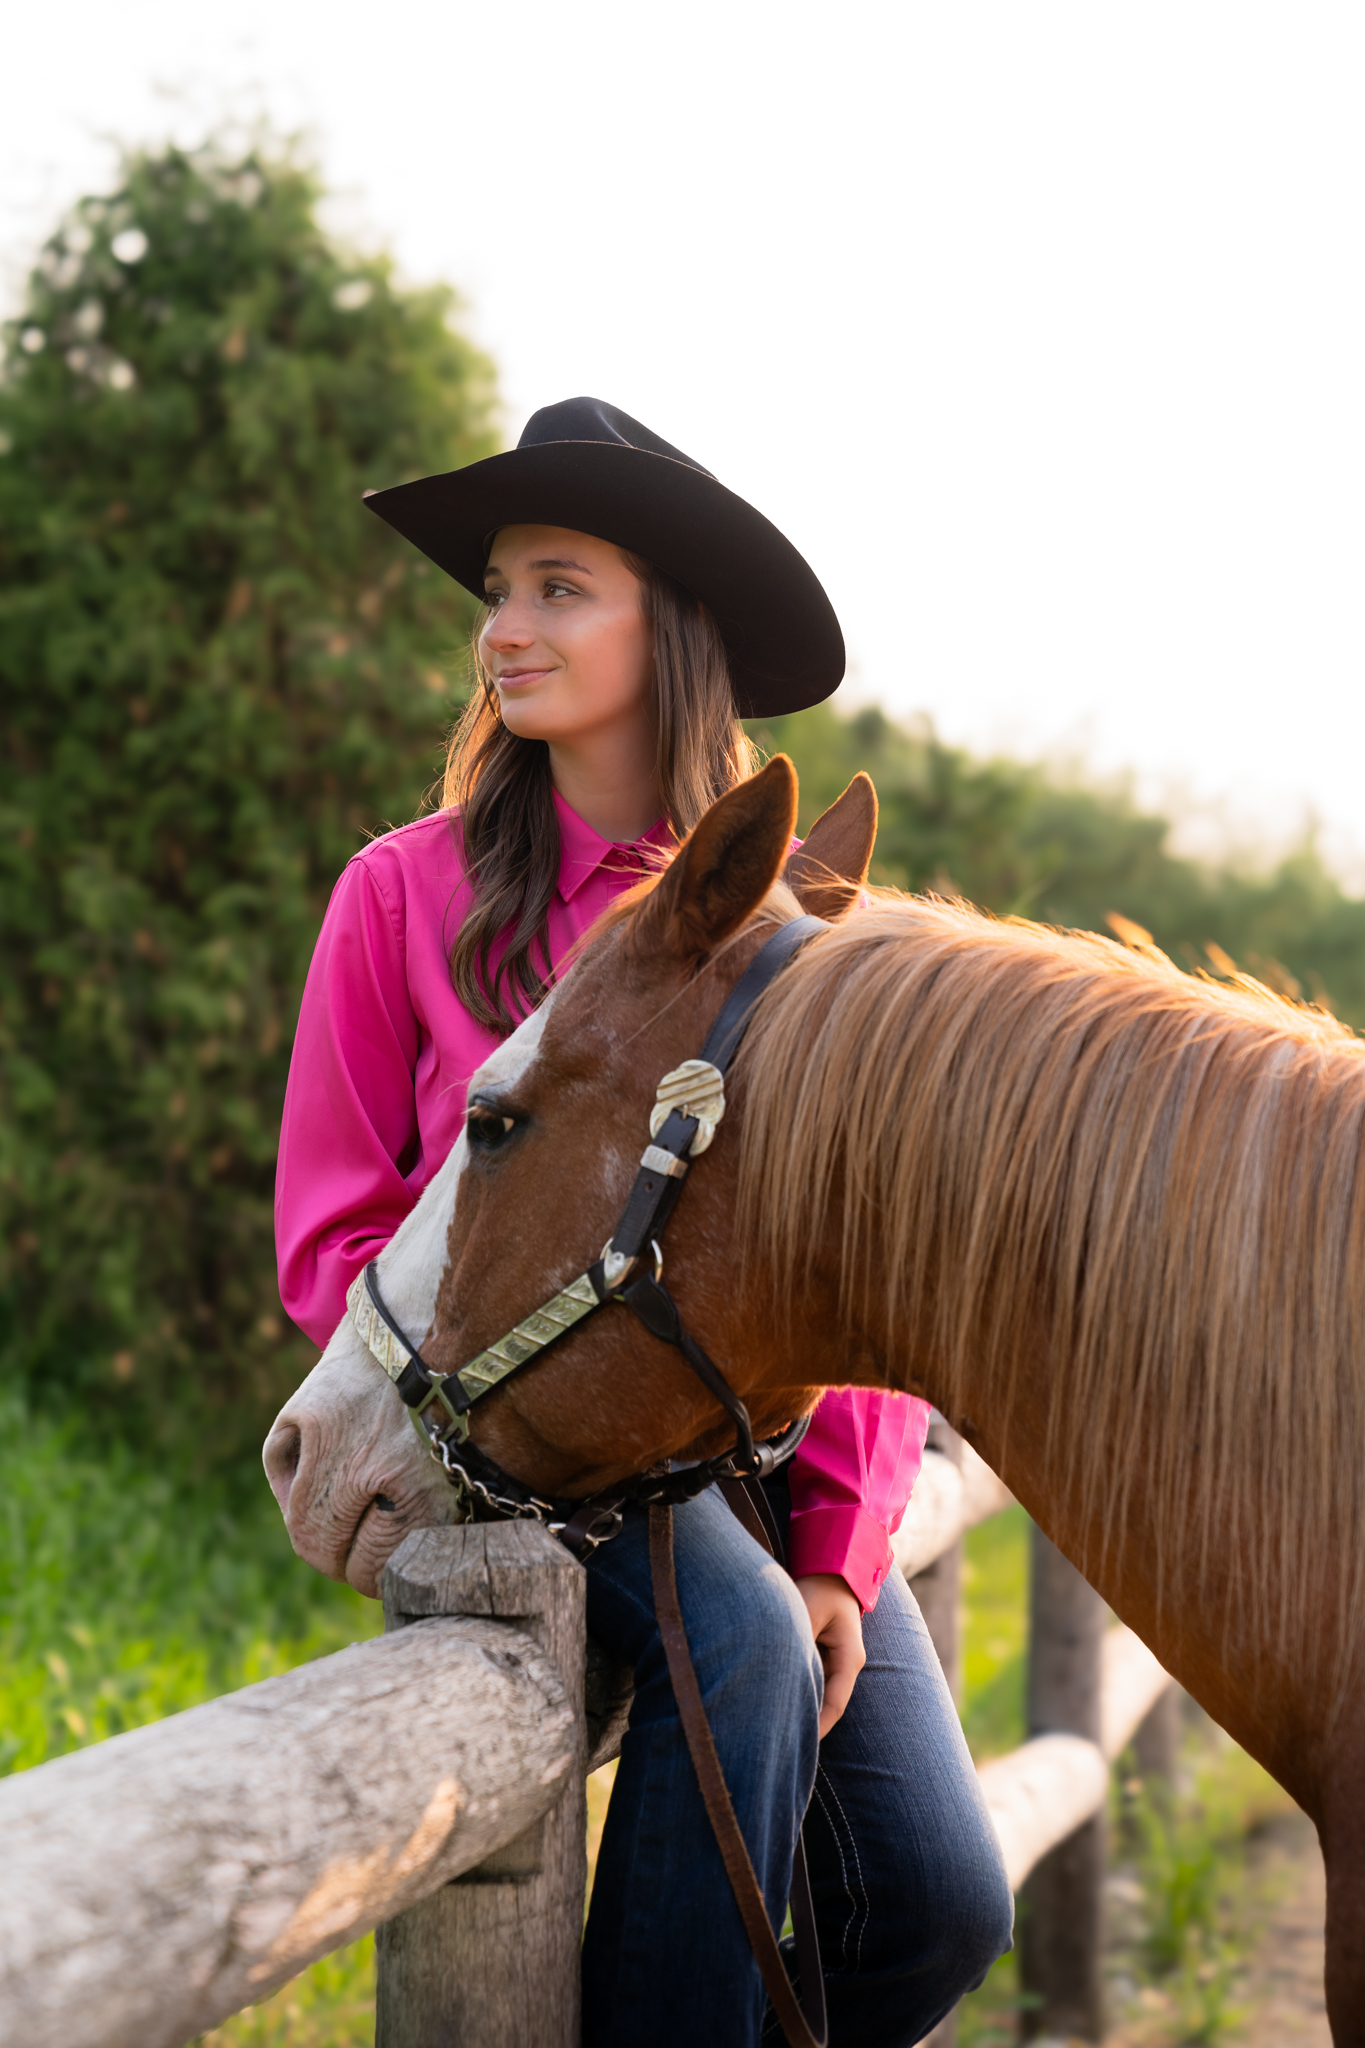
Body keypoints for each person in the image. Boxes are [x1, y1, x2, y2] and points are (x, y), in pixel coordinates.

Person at [274, 398, 1013, 2046]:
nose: (501, 630)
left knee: (940, 1899)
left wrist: (834, 1550)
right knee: (734, 1641)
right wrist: (494, 1385)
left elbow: (853, 1261)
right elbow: (332, 1242)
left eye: (556, 587)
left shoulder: (785, 928)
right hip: (511, 1442)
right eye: (496, 589)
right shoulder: (401, 895)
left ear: (664, 625)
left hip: (750, 1474)